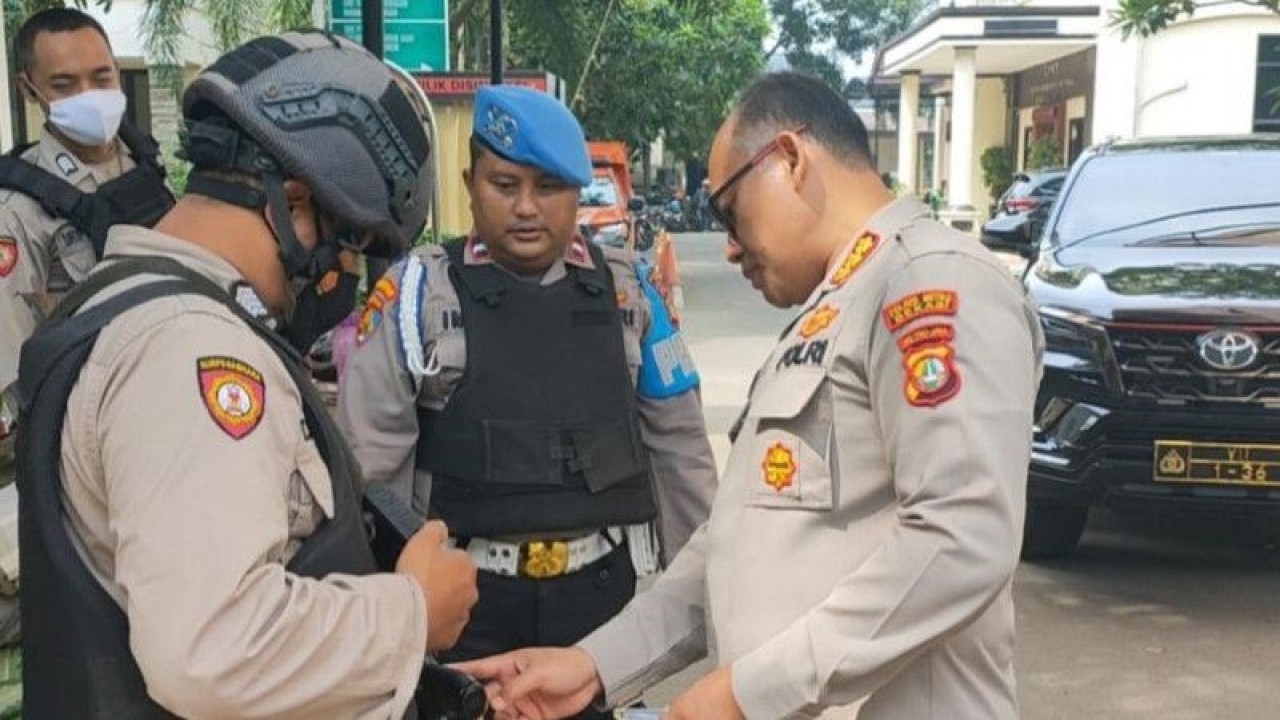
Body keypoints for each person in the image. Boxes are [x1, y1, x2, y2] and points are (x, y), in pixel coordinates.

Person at [458, 71, 1045, 720]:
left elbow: (963, 536)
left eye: (729, 212)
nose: (730, 247)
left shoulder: (929, 282)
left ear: (789, 161)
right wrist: (597, 664)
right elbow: (732, 548)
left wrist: (746, 694)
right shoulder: (835, 307)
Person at [14, 31, 479, 718]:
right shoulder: (189, 349)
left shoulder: (116, 300)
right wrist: (413, 612)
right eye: (349, 241)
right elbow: (209, 649)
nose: (347, 274)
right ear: (291, 199)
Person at [337, 85, 717, 720]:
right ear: (469, 183)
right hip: (463, 608)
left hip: (599, 604)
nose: (525, 208)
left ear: (577, 191)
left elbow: (681, 456)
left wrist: (707, 606)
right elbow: (372, 479)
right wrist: (391, 628)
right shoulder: (416, 299)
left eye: (548, 187)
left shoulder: (630, 296)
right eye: (504, 184)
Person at [1, 8, 175, 436]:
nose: (89, 94)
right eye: (64, 84)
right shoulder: (18, 207)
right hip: (90, 422)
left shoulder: (145, 164)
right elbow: (17, 371)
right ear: (29, 89)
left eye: (101, 78)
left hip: (171, 385)